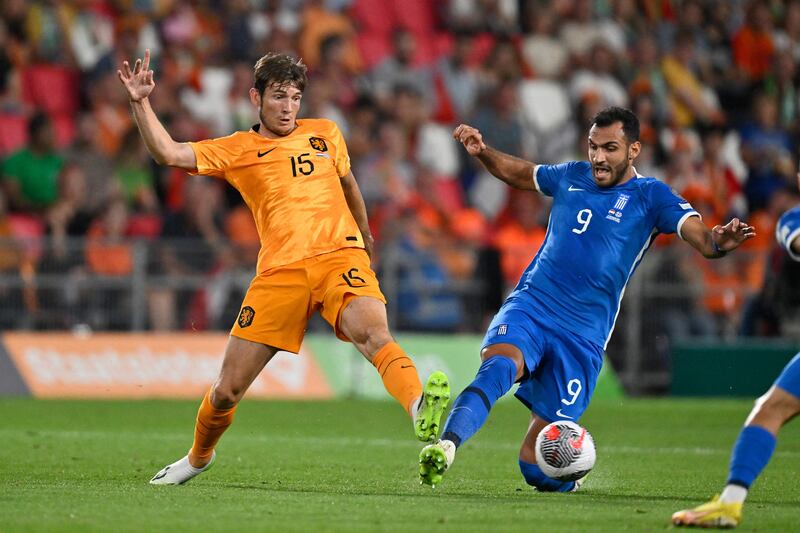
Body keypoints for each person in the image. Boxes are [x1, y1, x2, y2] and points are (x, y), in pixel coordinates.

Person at [117, 50, 450, 485]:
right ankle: (197, 459)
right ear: (256, 97)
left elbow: (348, 184)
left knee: (374, 334)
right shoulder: (239, 149)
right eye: (278, 96)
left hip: (339, 257)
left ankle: (418, 407)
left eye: (295, 97)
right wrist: (141, 102)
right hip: (280, 273)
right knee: (227, 390)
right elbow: (169, 153)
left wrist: (365, 235)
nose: (288, 107)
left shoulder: (326, 133)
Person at [418, 107, 756, 491]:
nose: (598, 157)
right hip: (533, 306)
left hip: (582, 338)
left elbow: (704, 239)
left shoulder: (651, 196)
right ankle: (447, 446)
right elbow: (522, 173)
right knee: (498, 366)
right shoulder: (572, 175)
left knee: (537, 467)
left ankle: (570, 478)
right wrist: (483, 152)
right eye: (593, 146)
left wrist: (719, 241)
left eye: (610, 148)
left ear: (633, 150)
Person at [671, 175, 800, 529]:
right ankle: (729, 504)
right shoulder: (792, 221)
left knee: (770, 410)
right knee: (770, 409)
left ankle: (729, 504)